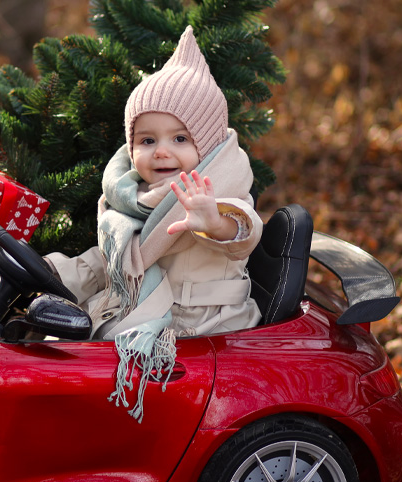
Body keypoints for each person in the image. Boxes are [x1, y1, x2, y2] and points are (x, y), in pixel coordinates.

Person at [43, 26, 263, 420]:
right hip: (152, 318)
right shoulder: (132, 199)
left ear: (207, 145)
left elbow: (243, 233)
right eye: (147, 141)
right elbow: (113, 262)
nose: (161, 151)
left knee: (88, 372)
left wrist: (213, 222)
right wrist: (51, 272)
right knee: (52, 347)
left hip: (203, 329)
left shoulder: (211, 192)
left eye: (180, 139)